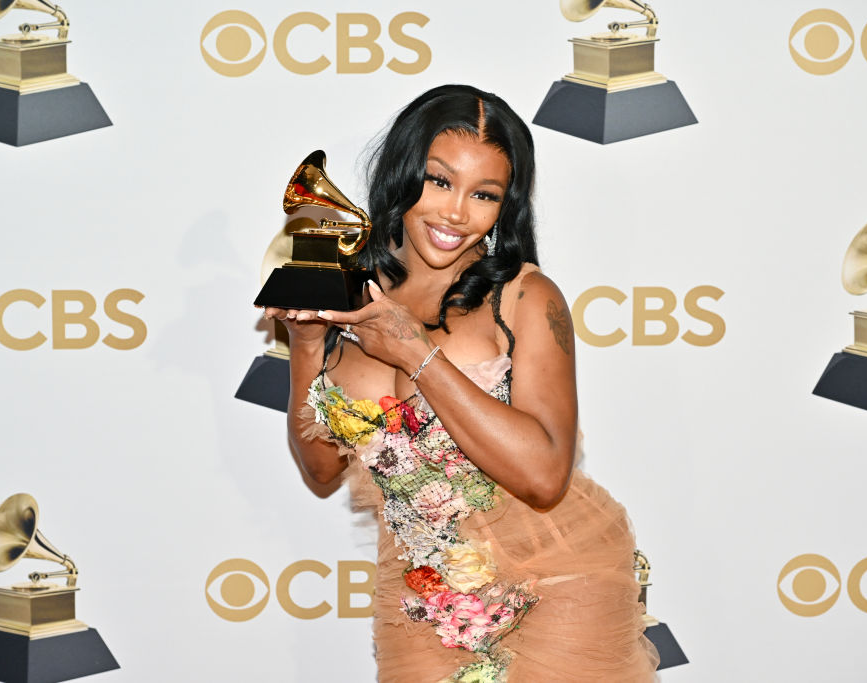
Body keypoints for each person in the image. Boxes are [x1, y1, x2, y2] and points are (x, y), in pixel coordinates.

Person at [265, 84, 659, 682]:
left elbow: (546, 474)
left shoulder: (524, 296)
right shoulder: (349, 295)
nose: (455, 213)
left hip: (553, 579)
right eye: (439, 181)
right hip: (423, 595)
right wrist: (308, 345)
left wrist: (416, 353)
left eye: (484, 194)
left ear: (507, 206)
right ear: (401, 175)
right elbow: (320, 472)